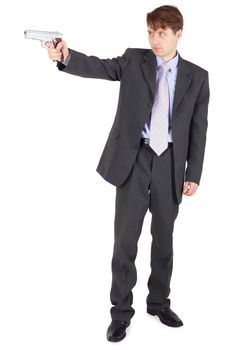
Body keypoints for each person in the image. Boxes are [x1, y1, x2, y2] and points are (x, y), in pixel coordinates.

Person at [46, 5, 210, 342]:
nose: (154, 39)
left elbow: (198, 128)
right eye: (150, 32)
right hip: (134, 160)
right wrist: (65, 56)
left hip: (170, 164)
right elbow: (100, 67)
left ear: (179, 33)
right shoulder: (135, 60)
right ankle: (120, 314)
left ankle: (159, 302)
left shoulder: (198, 76)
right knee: (125, 242)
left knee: (164, 240)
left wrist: (193, 172)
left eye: (161, 33)